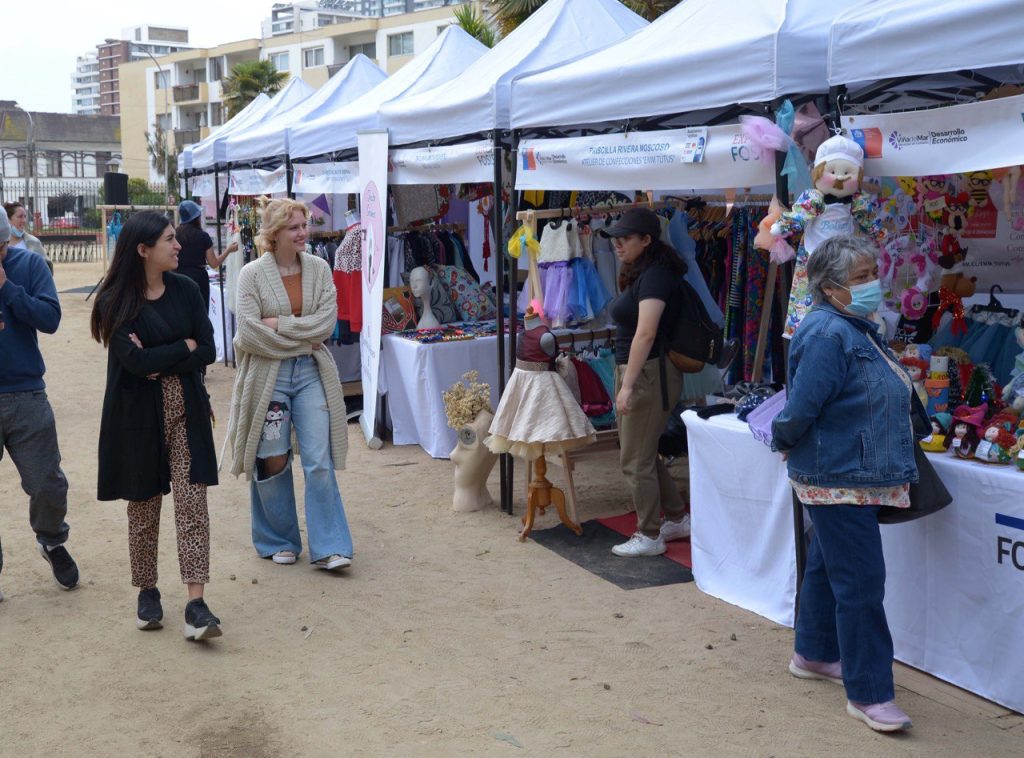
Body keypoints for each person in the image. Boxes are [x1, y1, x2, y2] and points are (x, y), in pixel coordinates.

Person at [771, 234, 923, 733]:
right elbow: (801, 406)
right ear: (830, 287)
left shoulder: (854, 325)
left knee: (827, 564)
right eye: (860, 278)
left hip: (850, 472)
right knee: (860, 583)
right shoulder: (828, 332)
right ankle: (870, 692)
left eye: (870, 274)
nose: (872, 284)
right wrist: (785, 440)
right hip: (839, 475)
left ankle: (813, 652)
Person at [90, 211, 222, 640]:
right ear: (143, 250)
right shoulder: (115, 302)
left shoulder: (186, 289)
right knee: (143, 504)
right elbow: (134, 362)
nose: (179, 245)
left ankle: (196, 604)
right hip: (137, 418)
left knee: (192, 503)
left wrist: (164, 356)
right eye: (169, 239)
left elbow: (207, 348)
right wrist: (178, 348)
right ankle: (148, 592)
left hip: (187, 408)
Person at [224, 198, 353, 571]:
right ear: (274, 233)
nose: (303, 233)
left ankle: (330, 545)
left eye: (305, 225)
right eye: (294, 227)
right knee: (273, 458)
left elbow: (326, 325)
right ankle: (277, 539)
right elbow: (248, 334)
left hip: (311, 373)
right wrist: (302, 333)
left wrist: (279, 325)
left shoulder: (319, 268)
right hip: (269, 376)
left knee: (318, 459)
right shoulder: (251, 275)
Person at [0, 205, 78, 598]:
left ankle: (51, 539)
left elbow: (50, 318)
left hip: (25, 390)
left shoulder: (28, 265)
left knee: (48, 482)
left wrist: (6, 289)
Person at [604, 208, 691, 557]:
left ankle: (650, 535)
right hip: (642, 370)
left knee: (634, 459)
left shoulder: (655, 275)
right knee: (643, 453)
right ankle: (675, 518)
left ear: (646, 240)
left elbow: (646, 333)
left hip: (646, 372)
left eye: (625, 238)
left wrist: (627, 385)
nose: (617, 245)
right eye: (615, 239)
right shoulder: (648, 271)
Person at [175, 199, 238, 310]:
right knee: (200, 313)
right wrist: (228, 250)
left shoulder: (175, 235)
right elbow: (214, 263)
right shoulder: (202, 236)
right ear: (197, 218)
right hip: (198, 279)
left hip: (178, 277)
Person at [3, 201, 52, 274]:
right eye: (20, 217)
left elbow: (47, 270)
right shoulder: (2, 245)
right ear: (7, 219)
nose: (24, 221)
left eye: (25, 216)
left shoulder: (33, 242)